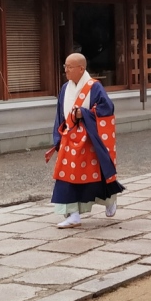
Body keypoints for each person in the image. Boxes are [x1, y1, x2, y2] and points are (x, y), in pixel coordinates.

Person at [47, 53, 124, 228]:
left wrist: (85, 113)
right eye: (65, 66)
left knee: (96, 175)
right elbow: (60, 115)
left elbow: (107, 108)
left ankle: (109, 200)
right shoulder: (65, 88)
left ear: (81, 68)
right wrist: (58, 137)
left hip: (89, 140)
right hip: (69, 138)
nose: (66, 70)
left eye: (69, 67)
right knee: (66, 176)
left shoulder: (94, 87)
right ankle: (73, 214)